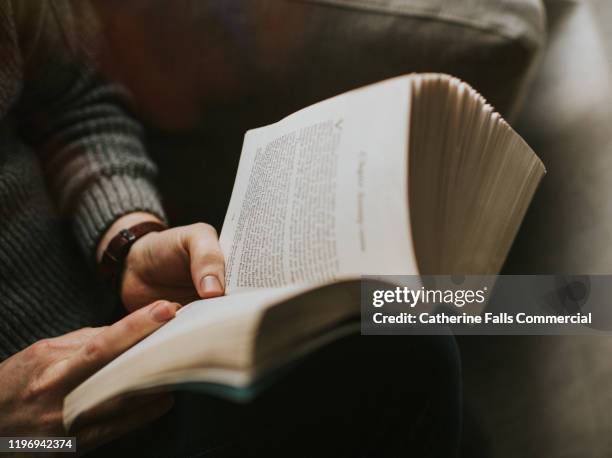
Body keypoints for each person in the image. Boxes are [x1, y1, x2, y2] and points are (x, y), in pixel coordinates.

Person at [0, 1, 462, 456]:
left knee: (400, 331)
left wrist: (127, 242)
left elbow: (70, 102)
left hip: (128, 339)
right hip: (32, 441)